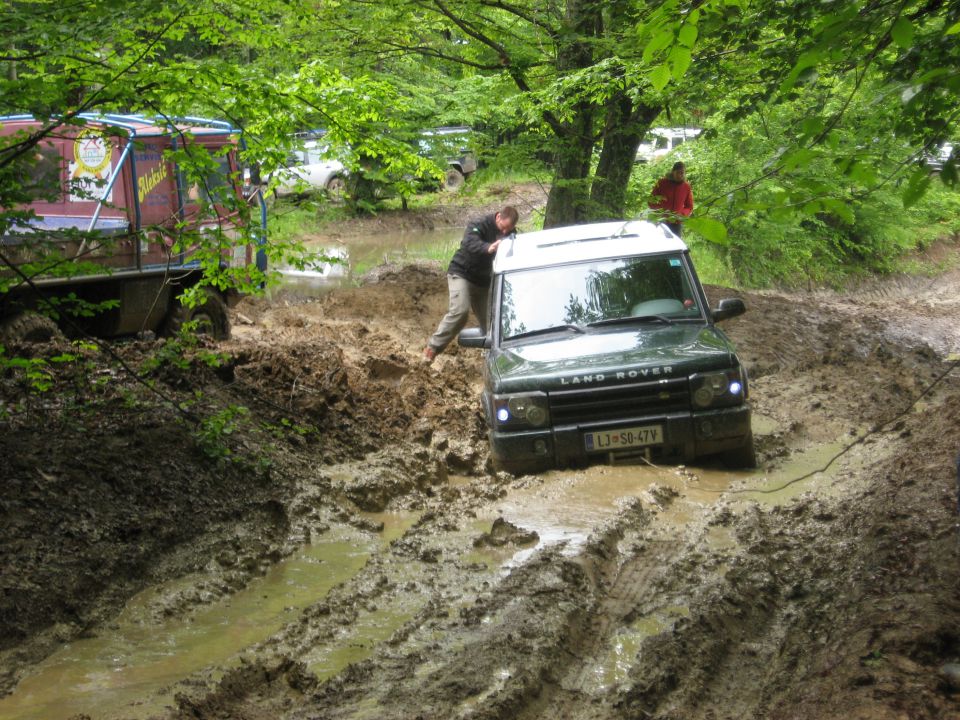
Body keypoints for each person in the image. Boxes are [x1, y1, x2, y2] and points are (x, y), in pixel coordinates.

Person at [423, 206, 519, 364]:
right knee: (460, 312)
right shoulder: (479, 224)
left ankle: (496, 360)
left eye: (508, 230)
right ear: (498, 218)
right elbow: (469, 243)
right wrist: (488, 247)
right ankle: (432, 348)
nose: (504, 233)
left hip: (484, 281)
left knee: (492, 324)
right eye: (503, 228)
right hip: (462, 273)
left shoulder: (511, 234)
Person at [649, 161, 693, 236]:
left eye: (682, 173)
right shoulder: (662, 183)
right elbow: (651, 201)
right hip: (661, 221)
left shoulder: (686, 187)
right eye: (678, 172)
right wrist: (660, 212)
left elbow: (689, 206)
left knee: (676, 246)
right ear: (673, 172)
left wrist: (682, 214)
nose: (680, 175)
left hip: (676, 223)